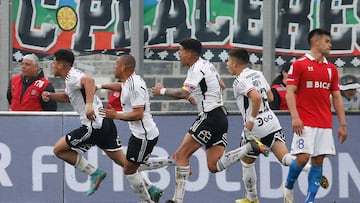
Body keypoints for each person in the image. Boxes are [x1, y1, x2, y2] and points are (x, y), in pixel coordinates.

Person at [151, 38, 269, 203]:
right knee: (214, 166)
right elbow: (221, 85)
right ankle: (249, 147)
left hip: (209, 117)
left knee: (182, 156)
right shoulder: (207, 65)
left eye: (181, 50)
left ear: (190, 53)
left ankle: (177, 200)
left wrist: (162, 90)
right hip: (220, 118)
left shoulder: (196, 69)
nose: (179, 54)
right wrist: (198, 98)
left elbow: (183, 93)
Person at [41, 49, 163, 202]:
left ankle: (94, 173)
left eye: (53, 63)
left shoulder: (73, 76)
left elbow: (89, 81)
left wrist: (89, 105)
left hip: (93, 124)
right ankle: (151, 187)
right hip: (105, 122)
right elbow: (68, 96)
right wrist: (51, 96)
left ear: (60, 65)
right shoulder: (71, 78)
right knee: (126, 163)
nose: (51, 66)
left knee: (59, 149)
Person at [226, 48, 328, 203]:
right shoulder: (258, 74)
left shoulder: (239, 81)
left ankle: (252, 198)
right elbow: (271, 96)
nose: (227, 65)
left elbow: (257, 97)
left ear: (234, 63)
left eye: (228, 61)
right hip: (272, 121)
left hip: (255, 127)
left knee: (246, 162)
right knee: (285, 157)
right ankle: (309, 169)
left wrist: (252, 119)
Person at [99, 54, 176, 203]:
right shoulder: (128, 82)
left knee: (129, 169)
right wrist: (99, 86)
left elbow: (138, 114)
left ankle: (147, 200)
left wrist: (116, 115)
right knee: (135, 166)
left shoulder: (135, 86)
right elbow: (120, 87)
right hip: (140, 134)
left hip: (144, 136)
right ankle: (172, 161)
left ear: (124, 67)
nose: (114, 68)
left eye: (116, 65)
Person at [283, 28, 347, 203]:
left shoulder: (331, 69)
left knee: (318, 161)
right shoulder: (299, 64)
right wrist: (295, 117)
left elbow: (336, 96)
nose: (330, 45)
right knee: (303, 158)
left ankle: (310, 200)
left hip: (324, 123)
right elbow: (290, 92)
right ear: (315, 42)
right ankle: (288, 186)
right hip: (305, 122)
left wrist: (342, 124)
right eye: (327, 41)